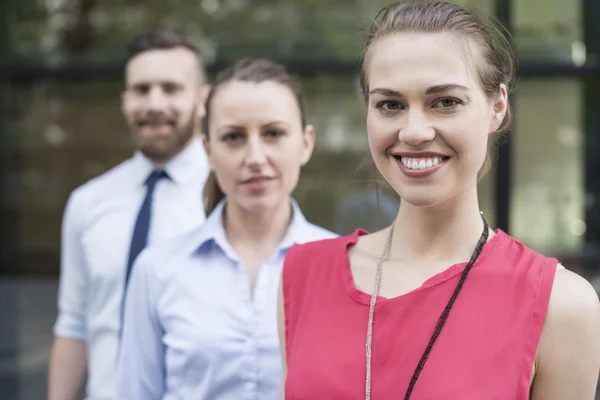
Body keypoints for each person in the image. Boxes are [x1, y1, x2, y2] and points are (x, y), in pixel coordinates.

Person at [278, 1, 600, 399]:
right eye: (390, 104)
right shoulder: (302, 276)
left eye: (445, 102)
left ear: (496, 107)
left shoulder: (559, 305)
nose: (414, 131)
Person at [114, 57, 337, 399]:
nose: (255, 157)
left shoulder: (347, 269)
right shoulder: (157, 270)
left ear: (305, 143)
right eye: (233, 137)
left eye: (274, 134)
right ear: (209, 151)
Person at [48, 30, 211, 400]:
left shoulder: (229, 200)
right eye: (141, 90)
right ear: (125, 101)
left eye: (170, 88)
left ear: (203, 100)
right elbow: (74, 325)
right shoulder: (88, 203)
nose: (153, 103)